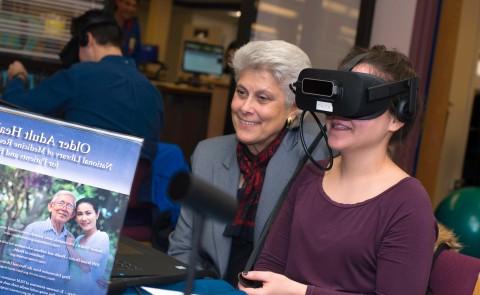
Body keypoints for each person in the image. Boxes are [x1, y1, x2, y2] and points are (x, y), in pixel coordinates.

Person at [239, 45, 437, 294]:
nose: (339, 113)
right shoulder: (310, 174)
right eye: (338, 97)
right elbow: (270, 266)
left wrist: (300, 292)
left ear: (397, 117)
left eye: (358, 99)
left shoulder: (408, 203)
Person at [168, 40, 329, 286]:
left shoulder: (314, 161)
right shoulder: (207, 154)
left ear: (293, 108)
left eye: (262, 98)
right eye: (241, 92)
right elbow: (182, 250)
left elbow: (314, 266)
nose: (245, 107)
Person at [2, 9, 163, 161]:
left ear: (88, 39)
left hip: (84, 176)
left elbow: (14, 108)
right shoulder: (153, 93)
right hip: (134, 189)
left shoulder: (81, 74)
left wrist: (18, 76)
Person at [6, 191, 77, 290]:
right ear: (50, 207)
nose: (64, 208)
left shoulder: (71, 239)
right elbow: (17, 263)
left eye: (69, 206)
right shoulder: (34, 229)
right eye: (61, 203)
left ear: (72, 214)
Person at [67, 198, 110, 294]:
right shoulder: (78, 239)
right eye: (80, 214)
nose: (84, 218)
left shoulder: (102, 237)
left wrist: (70, 248)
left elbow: (86, 267)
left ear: (97, 214)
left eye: (88, 213)